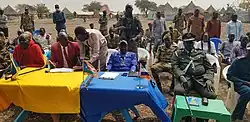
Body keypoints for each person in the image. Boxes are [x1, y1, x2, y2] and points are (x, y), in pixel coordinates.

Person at [227, 43, 250, 122]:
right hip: (240, 84)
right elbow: (229, 75)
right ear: (247, 51)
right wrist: (244, 82)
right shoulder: (238, 61)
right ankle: (236, 116)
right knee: (247, 92)